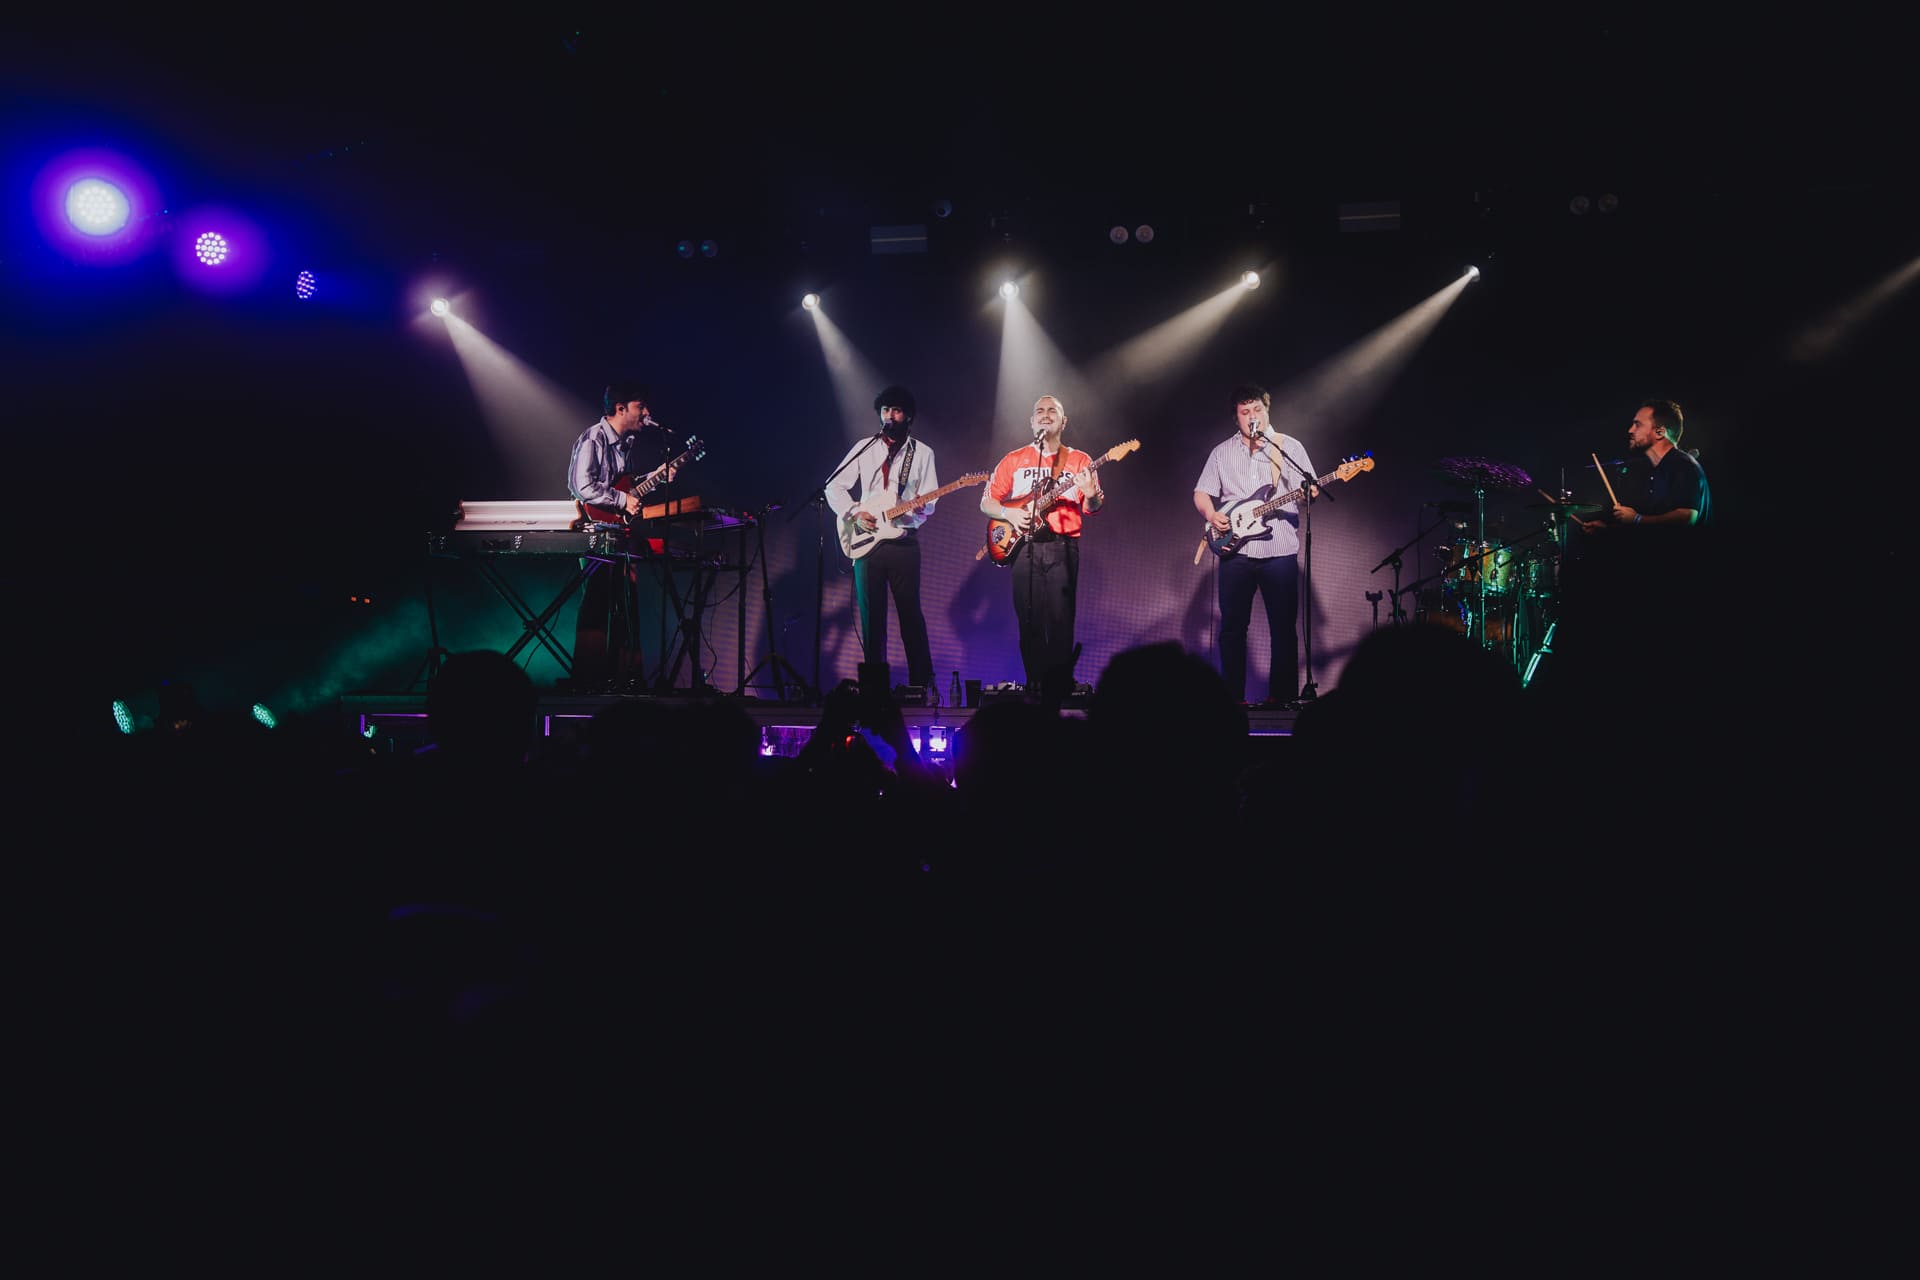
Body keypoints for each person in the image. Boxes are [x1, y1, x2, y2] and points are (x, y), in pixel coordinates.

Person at [1192, 383, 1318, 707]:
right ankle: (1231, 700)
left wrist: (1310, 494)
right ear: (1236, 417)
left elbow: (1309, 490)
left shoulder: (1288, 447)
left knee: (1283, 630)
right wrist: (1212, 513)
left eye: (1257, 410)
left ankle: (1283, 699)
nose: (1252, 417)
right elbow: (1202, 492)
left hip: (1279, 550)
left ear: (1267, 410)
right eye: (1245, 412)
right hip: (1235, 550)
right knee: (1232, 629)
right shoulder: (1221, 452)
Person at [981, 394, 1105, 702]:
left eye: (1052, 411)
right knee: (1029, 619)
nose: (1045, 415)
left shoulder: (1079, 460)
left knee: (1061, 620)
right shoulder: (1014, 459)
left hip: (1063, 547)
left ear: (1064, 422)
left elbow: (1094, 506)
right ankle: (1035, 686)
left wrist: (1090, 493)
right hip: (1024, 548)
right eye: (1039, 411)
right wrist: (1009, 513)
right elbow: (987, 502)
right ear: (1032, 422)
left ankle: (1060, 689)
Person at [825, 385, 939, 697]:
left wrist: (920, 505)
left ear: (908, 416)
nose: (890, 415)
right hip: (866, 543)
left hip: (903, 542)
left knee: (910, 616)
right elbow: (833, 486)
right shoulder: (865, 447)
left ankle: (921, 685)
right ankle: (874, 691)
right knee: (872, 621)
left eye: (896, 410)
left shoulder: (923, 453)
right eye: (885, 410)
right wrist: (854, 512)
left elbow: (930, 503)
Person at [565, 380, 677, 690]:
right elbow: (582, 487)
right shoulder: (594, 439)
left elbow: (622, 484)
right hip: (593, 532)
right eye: (641, 407)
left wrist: (653, 478)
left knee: (626, 605)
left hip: (616, 532)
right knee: (598, 602)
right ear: (621, 408)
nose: (646, 413)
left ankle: (622, 676)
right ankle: (587, 680)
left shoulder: (624, 444)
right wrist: (621, 501)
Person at [1570, 398, 1711, 535]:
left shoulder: (1683, 465)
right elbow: (1651, 526)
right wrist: (1608, 529)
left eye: (1638, 424)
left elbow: (1686, 518)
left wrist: (1637, 519)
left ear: (1659, 432)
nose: (1630, 430)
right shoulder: (1651, 470)